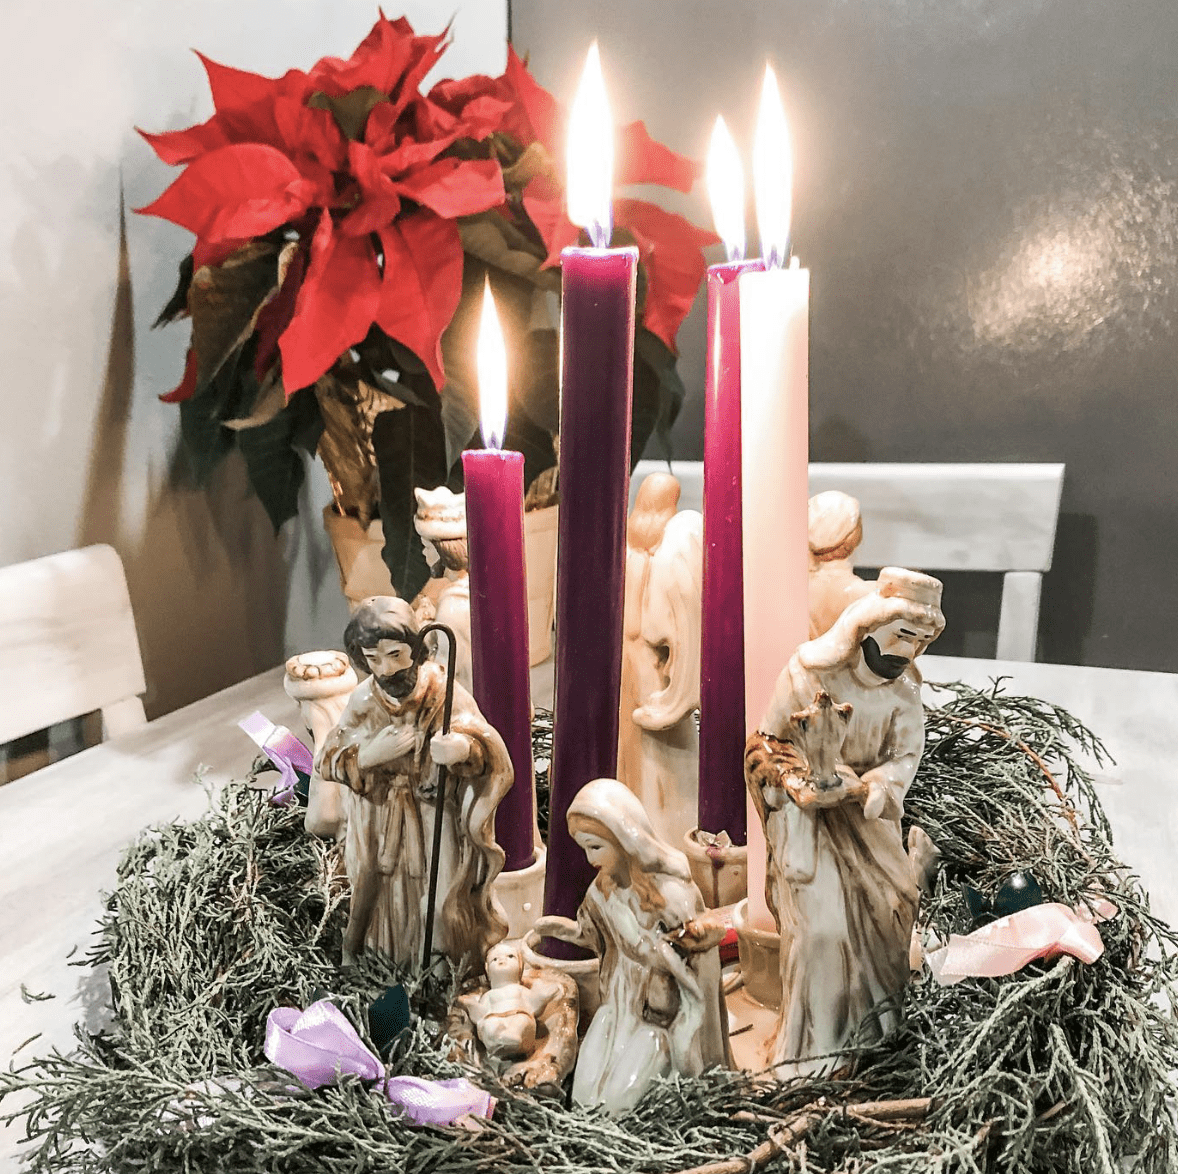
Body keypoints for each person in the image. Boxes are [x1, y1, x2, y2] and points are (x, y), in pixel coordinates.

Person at [745, 567, 945, 1075]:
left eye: (921, 641)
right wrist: (798, 783)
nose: (908, 652)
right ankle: (814, 1051)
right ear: (867, 628)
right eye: (902, 635)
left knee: (893, 907)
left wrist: (868, 787)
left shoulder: (904, 695)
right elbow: (767, 744)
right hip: (807, 824)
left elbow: (904, 757)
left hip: (867, 823)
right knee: (823, 932)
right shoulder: (809, 673)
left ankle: (876, 1039)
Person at [316, 597, 512, 971]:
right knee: (375, 895)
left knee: (439, 898)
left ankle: (441, 972)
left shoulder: (442, 690)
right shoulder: (364, 699)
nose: (386, 669)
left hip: (433, 815)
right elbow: (327, 758)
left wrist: (462, 749)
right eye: (372, 659)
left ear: (415, 646)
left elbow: (485, 745)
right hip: (382, 818)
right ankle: (384, 967)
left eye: (395, 654)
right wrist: (371, 754)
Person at [536, 778, 728, 1114]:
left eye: (596, 847)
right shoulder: (603, 888)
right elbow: (594, 934)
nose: (589, 858)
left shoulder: (669, 895)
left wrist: (645, 944)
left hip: (657, 1016)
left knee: (619, 1104)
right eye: (583, 847)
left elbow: (691, 957)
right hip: (618, 1004)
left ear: (624, 840)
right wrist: (563, 930)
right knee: (583, 1097)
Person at [617, 473, 704, 849]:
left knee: (645, 751)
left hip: (636, 668)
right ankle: (656, 824)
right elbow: (660, 626)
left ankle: (654, 823)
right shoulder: (670, 552)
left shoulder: (634, 556)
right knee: (650, 753)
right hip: (647, 670)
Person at [411, 486, 473, 693]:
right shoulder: (467, 592)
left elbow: (445, 670)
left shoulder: (453, 605)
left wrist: (422, 632)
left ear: (444, 553)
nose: (423, 554)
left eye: (426, 547)